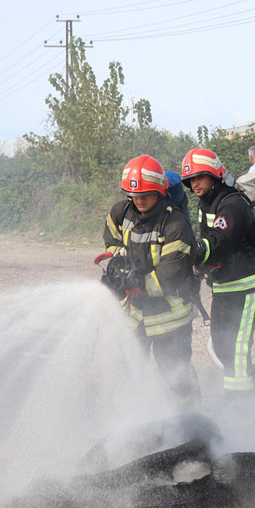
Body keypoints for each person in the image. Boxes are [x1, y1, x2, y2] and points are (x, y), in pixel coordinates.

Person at [102, 155, 199, 403]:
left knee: (177, 378)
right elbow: (112, 241)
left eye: (146, 193)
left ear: (159, 190)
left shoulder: (175, 223)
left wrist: (135, 285)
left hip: (170, 318)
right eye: (134, 194)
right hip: (134, 316)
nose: (140, 199)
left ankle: (193, 427)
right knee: (130, 374)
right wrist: (117, 267)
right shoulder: (120, 213)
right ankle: (133, 423)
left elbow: (171, 272)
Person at [180, 147, 255, 397]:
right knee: (223, 346)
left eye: (200, 177)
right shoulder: (206, 203)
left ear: (214, 175)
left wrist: (191, 252)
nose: (194, 183)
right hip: (225, 284)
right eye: (191, 179)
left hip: (248, 283)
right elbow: (210, 244)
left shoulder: (232, 204)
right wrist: (197, 271)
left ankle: (240, 412)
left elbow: (219, 241)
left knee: (236, 348)